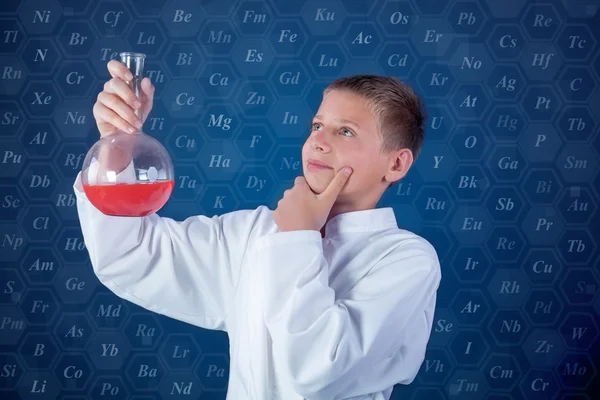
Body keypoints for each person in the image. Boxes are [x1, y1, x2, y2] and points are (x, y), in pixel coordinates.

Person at [75, 60, 442, 400]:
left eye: (345, 131)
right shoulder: (256, 233)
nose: (318, 140)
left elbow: (317, 369)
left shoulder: (407, 260)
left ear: (396, 163)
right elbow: (130, 255)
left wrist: (299, 236)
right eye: (317, 125)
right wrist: (117, 147)